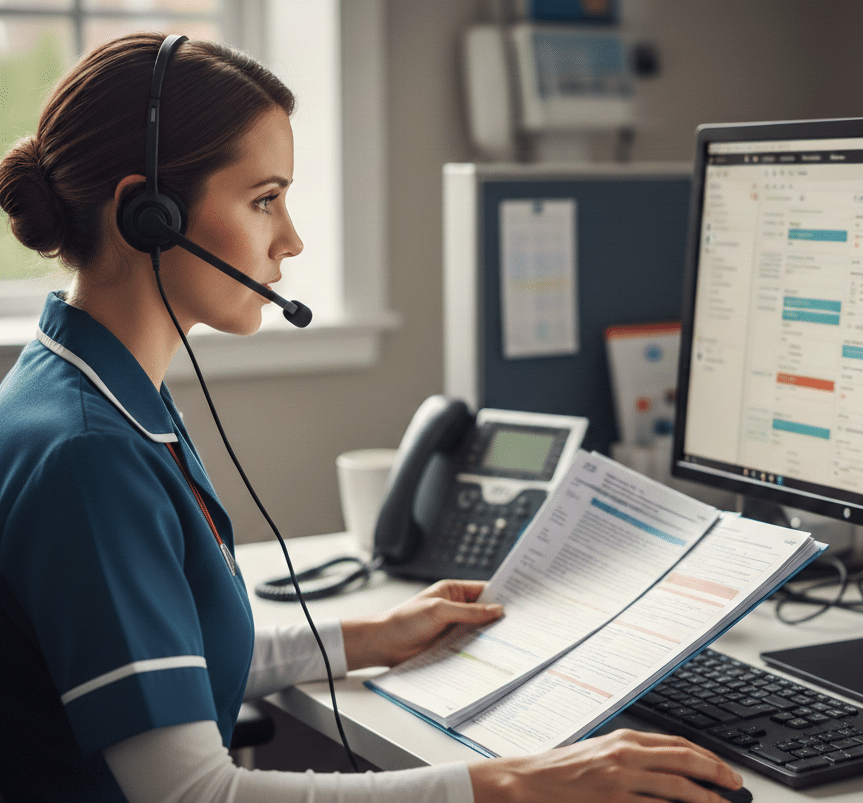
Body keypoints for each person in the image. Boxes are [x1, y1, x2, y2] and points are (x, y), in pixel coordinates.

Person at [0, 32, 745, 803]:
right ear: (148, 215)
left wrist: (367, 637)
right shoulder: (89, 456)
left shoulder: (89, 390)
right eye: (264, 199)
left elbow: (162, 658)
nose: (291, 240)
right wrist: (515, 781)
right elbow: (193, 793)